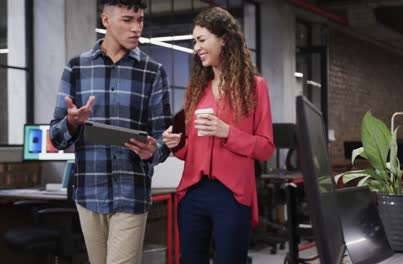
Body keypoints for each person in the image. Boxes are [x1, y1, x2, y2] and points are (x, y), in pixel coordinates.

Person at [49, 0, 172, 263]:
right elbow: (56, 137)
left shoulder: (153, 72)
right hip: (89, 192)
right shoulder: (77, 68)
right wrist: (71, 123)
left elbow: (164, 137)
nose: (136, 27)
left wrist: (156, 149)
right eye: (128, 20)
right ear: (106, 20)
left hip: (132, 192)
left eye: (140, 20)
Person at [163, 7, 275, 264]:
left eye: (201, 40)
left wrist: (227, 133)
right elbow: (190, 149)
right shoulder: (196, 89)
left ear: (223, 39)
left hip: (232, 194)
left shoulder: (255, 87)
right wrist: (176, 145)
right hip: (193, 192)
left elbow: (266, 147)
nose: (196, 47)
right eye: (194, 42)